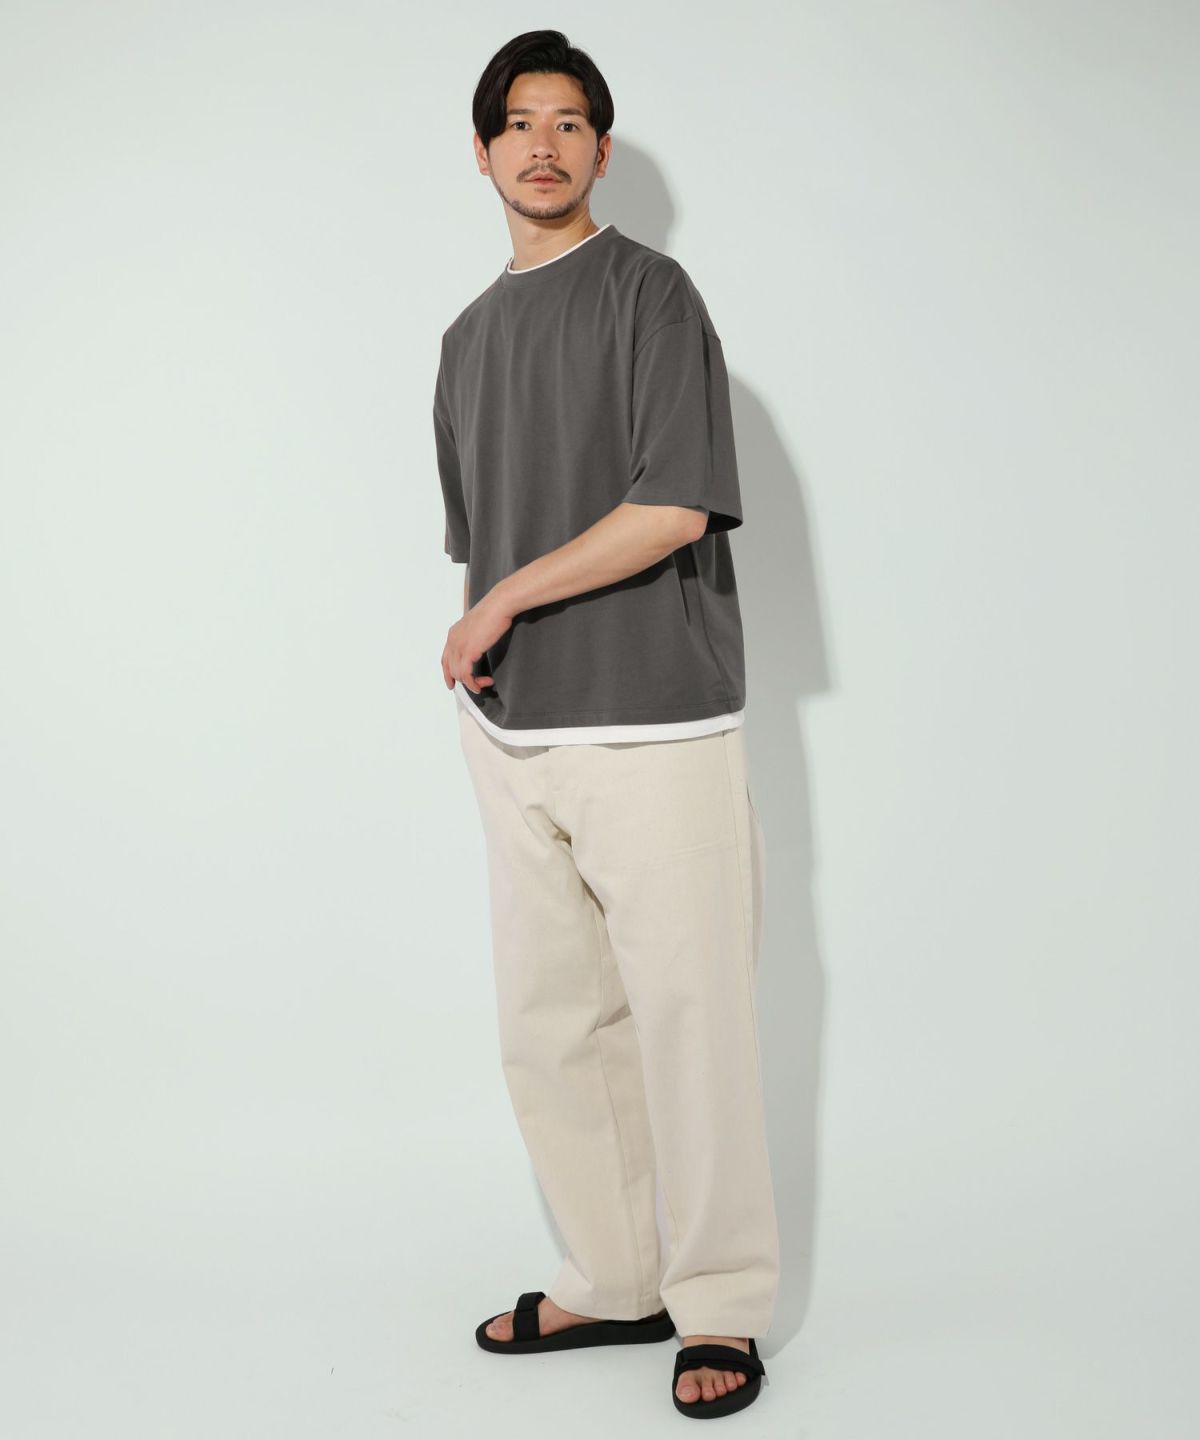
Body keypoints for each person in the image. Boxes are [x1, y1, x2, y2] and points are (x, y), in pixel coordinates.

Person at [433, 29, 779, 1419]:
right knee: (554, 1028)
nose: (544, 144)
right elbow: (487, 530)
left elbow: (673, 507)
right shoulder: (465, 341)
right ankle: (617, 1276)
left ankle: (722, 1303)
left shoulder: (652, 296)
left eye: (570, 122)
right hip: (515, 731)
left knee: (692, 1024)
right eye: (519, 122)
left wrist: (501, 601)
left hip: (657, 724)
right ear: (481, 153)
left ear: (602, 149)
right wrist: (490, 631)